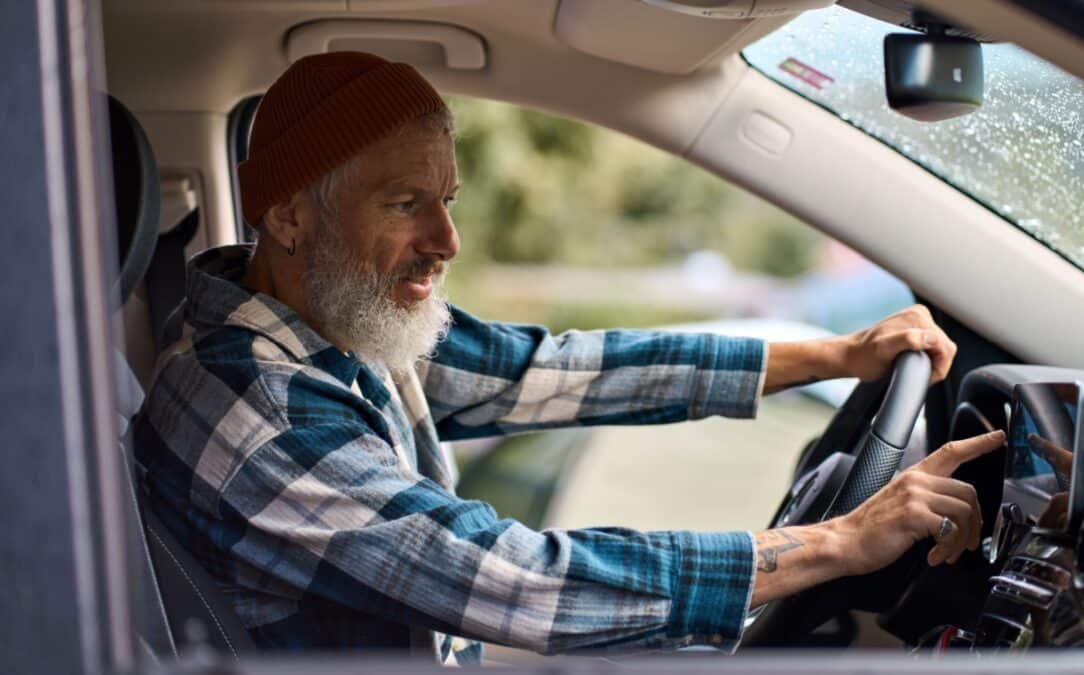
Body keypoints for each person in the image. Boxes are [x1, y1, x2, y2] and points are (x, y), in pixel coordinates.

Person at [132, 52, 1004, 665]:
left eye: (447, 199)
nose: (448, 239)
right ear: (288, 217)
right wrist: (839, 540)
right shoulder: (256, 403)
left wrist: (837, 354)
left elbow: (556, 368)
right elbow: (518, 582)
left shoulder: (329, 321)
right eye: (406, 203)